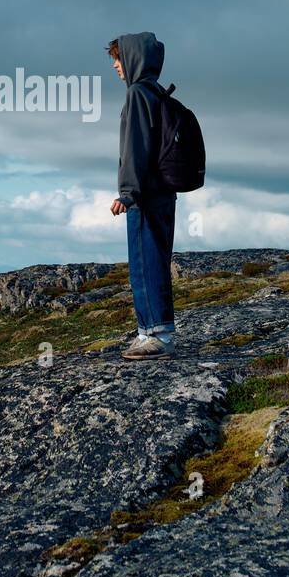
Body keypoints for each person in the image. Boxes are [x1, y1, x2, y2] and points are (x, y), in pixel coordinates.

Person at [107, 32, 177, 359]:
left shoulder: (137, 93)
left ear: (133, 58)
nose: (116, 67)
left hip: (145, 195)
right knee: (156, 260)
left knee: (144, 262)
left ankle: (157, 335)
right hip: (164, 192)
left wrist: (128, 193)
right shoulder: (157, 91)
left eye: (118, 60)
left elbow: (135, 148)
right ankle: (148, 330)